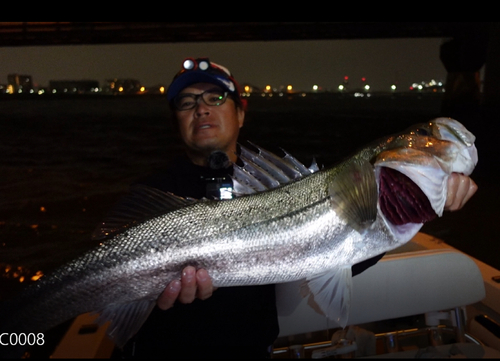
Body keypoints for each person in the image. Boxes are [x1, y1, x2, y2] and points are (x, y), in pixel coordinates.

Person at [118, 58, 478, 358]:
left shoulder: (286, 182)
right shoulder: (151, 194)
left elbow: (336, 246)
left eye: (215, 97)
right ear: (177, 121)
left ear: (241, 113)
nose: (201, 108)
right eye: (187, 102)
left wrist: (415, 204)